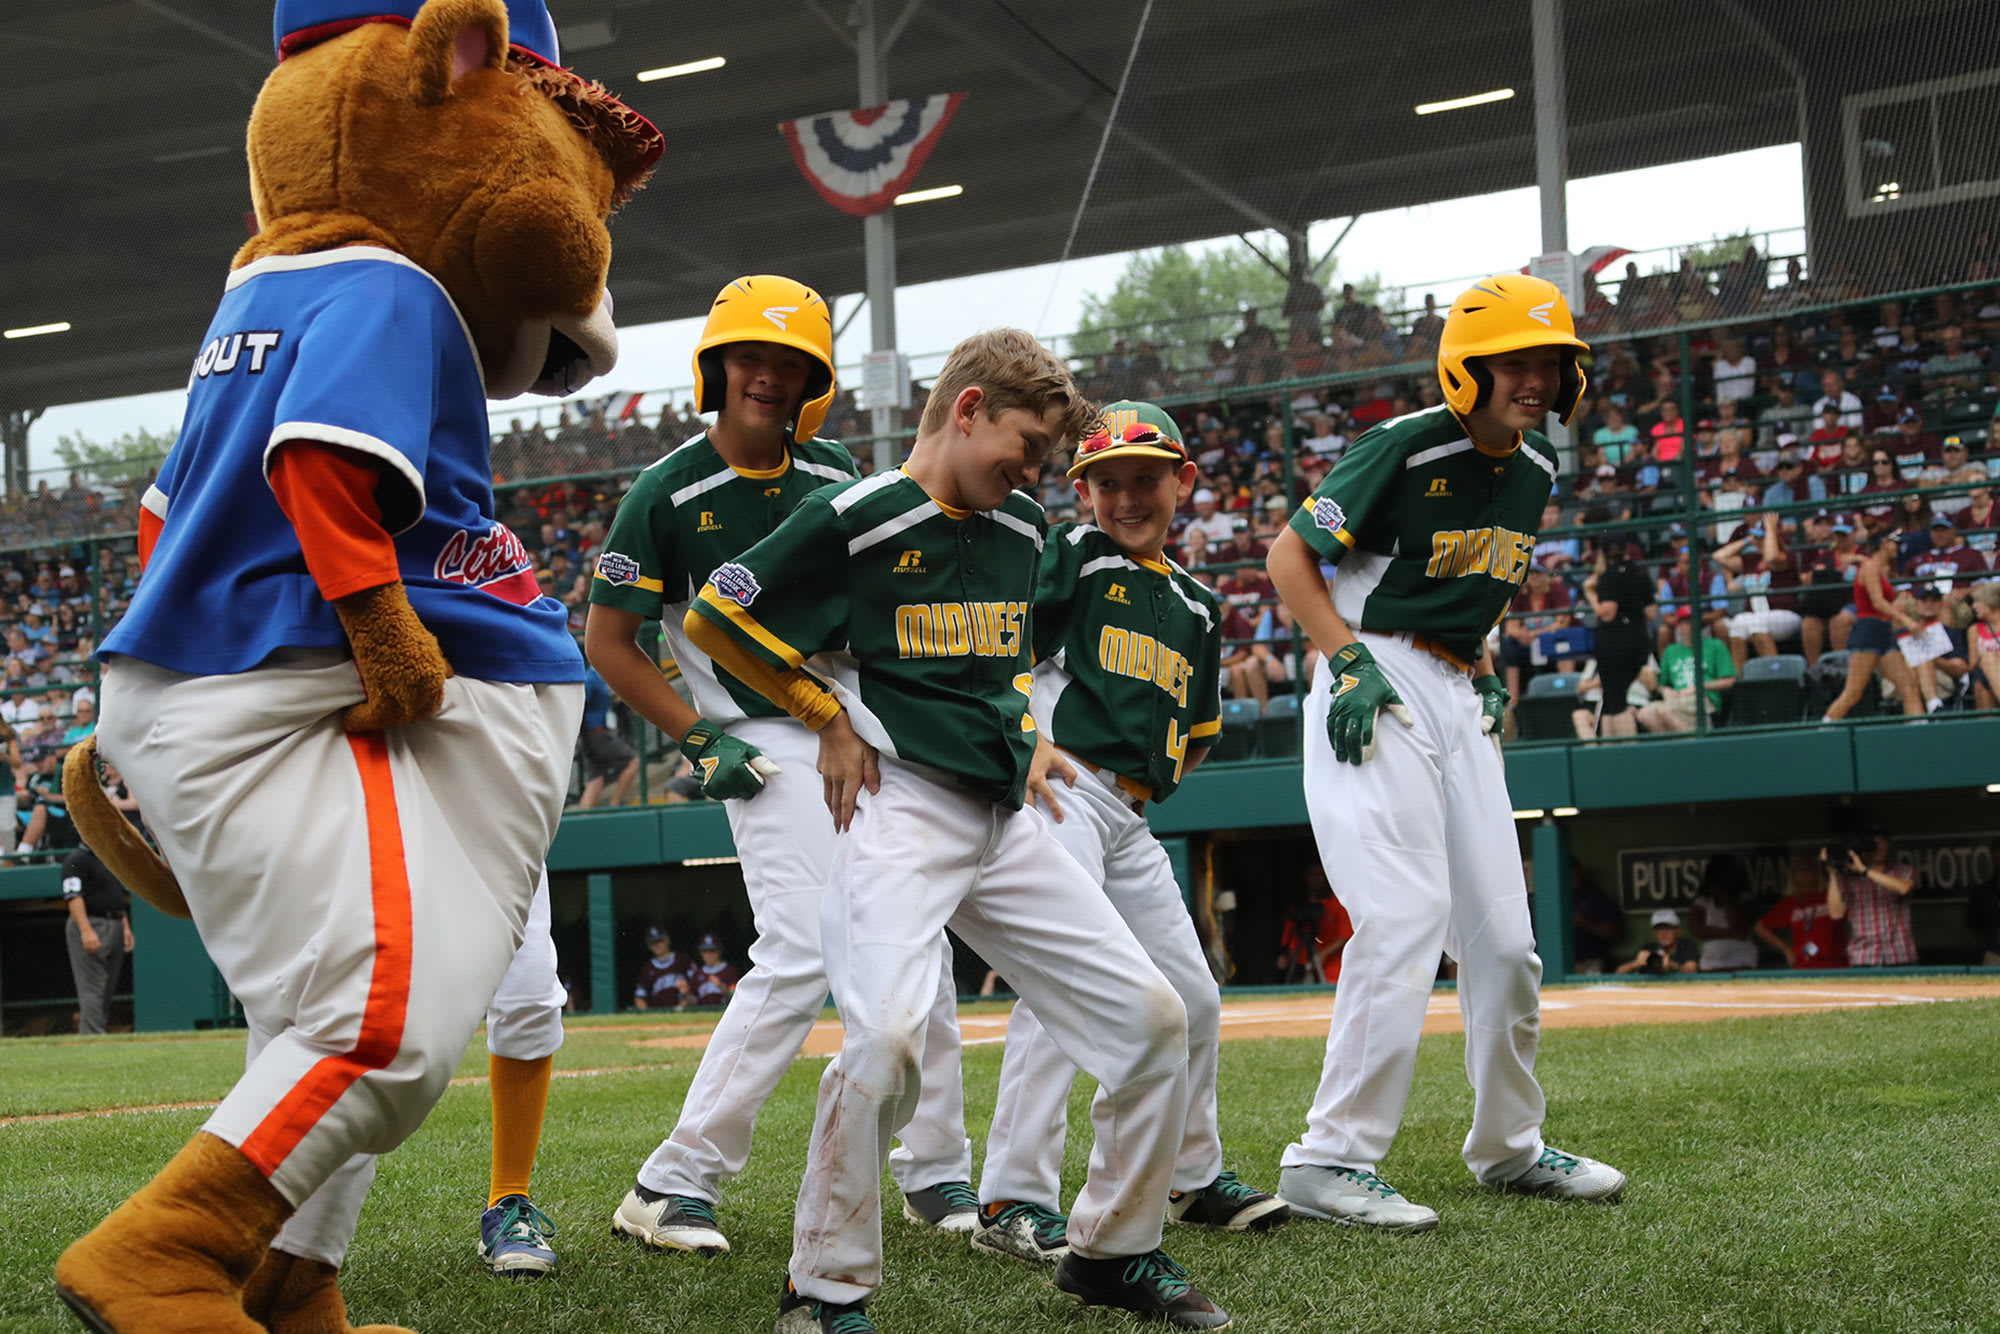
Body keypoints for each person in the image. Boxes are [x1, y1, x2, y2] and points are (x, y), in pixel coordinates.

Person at [683, 329, 1229, 1330]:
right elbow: (715, 617)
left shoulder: (1020, 527)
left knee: (1155, 1021)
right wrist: (824, 717)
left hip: (1009, 815)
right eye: (1023, 445)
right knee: (886, 1039)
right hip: (901, 808)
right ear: (967, 407)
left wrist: (1023, 732)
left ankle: (1112, 1248)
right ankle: (821, 1288)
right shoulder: (853, 514)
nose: (1032, 472)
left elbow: (1000, 658)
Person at [586, 277, 974, 1260]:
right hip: (758, 740)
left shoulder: (833, 470)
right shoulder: (663, 491)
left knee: (911, 930)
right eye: (749, 357)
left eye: (789, 363)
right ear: (715, 367)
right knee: (803, 947)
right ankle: (675, 1178)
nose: (766, 375)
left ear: (813, 381)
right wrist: (694, 733)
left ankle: (935, 1167)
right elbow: (610, 639)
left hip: (854, 725)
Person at [1264, 274, 1625, 1235]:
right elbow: (1290, 558)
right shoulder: (1406, 443)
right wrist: (1345, 664)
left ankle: (1509, 1147)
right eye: (1516, 360)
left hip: (1456, 691)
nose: (1538, 378)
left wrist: (1482, 664)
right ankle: (1329, 1158)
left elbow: (1467, 585)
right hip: (1371, 675)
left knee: (1505, 942)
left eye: (1551, 361)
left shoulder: (1538, 468)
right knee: (1404, 914)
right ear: (1468, 367)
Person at [974, 400, 1287, 1273]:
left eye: (1145, 477)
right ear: (1083, 492)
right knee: (1059, 992)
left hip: (1131, 813)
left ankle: (1191, 1175)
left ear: (1183, 481)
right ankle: (1012, 1195)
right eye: (1105, 482)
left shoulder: (1196, 602)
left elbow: (1199, 723)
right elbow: (1004, 644)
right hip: (1064, 790)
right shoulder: (1072, 555)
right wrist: (1024, 731)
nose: (1125, 497)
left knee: (1192, 996)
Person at [1823, 531, 1926, 720]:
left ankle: (1919, 731)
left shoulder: (1877, 568)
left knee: (1909, 685)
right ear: (1884, 543)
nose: (1898, 547)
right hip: (1869, 632)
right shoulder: (1870, 567)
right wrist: (1907, 620)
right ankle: (1823, 729)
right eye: (1894, 543)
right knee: (1853, 692)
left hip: (1884, 633)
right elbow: (1877, 602)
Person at [1580, 545, 1656, 737]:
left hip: (1614, 642)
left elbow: (1607, 613)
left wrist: (1589, 593)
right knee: (1616, 700)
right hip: (1638, 639)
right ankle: (1617, 752)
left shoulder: (1609, 577)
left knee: (1615, 701)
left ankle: (1618, 754)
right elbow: (1651, 613)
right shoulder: (1640, 574)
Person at [62, 842, 132, 1035]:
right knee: (92, 986)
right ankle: (92, 1036)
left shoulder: (107, 858)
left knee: (107, 987)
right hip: (91, 923)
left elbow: (116, 895)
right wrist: (85, 930)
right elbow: (73, 897)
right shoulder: (76, 860)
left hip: (114, 921)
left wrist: (125, 926)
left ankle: (96, 1032)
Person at [1828, 834, 1918, 966]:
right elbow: (1836, 913)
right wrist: (1833, 873)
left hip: (1900, 954)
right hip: (1864, 956)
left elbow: (1903, 888)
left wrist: (1864, 870)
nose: (1878, 848)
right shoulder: (1848, 877)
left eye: (1882, 843)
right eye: (1873, 844)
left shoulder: (1902, 870)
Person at [1755, 853, 1849, 969]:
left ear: (1817, 871)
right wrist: (1786, 949)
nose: (1804, 873)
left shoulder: (1830, 896)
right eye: (1798, 870)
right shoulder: (1790, 903)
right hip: (1804, 963)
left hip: (1835, 962)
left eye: (1808, 868)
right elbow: (1761, 927)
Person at [576, 664, 639, 808]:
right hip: (596, 734)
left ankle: (583, 820)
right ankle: (615, 803)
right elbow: (581, 704)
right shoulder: (590, 679)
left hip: (593, 735)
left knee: (595, 780)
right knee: (632, 762)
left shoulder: (599, 677)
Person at [1685, 855, 1758, 972]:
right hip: (1712, 961)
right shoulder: (1703, 901)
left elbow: (1741, 927)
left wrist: (1727, 899)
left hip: (1742, 959)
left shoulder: (1745, 899)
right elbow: (1697, 930)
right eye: (1720, 875)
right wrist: (1732, 933)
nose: (1725, 879)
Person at [1615, 910, 1700, 974]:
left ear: (1678, 930)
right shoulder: (1648, 948)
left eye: (1668, 928)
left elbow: (1692, 969)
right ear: (1654, 932)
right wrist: (1636, 964)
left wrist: (1671, 965)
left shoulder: (1686, 945)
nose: (1663, 934)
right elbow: (1619, 971)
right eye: (1659, 929)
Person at [633, 925, 690, 1010]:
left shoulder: (682, 960)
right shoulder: (647, 968)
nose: (657, 945)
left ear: (667, 940)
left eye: (659, 941)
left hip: (683, 1011)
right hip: (658, 1013)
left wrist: (685, 1002)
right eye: (653, 942)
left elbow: (696, 990)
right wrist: (648, 1015)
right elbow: (639, 998)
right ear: (649, 946)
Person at [684, 933, 740, 1006]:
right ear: (700, 953)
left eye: (712, 950)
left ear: (719, 951)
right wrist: (686, 993)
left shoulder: (730, 971)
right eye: (705, 951)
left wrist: (721, 986)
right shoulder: (698, 973)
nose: (708, 954)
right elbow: (694, 1002)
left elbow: (736, 996)